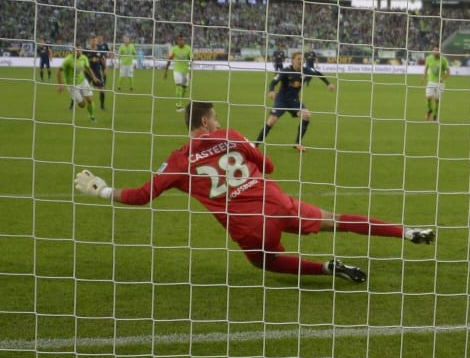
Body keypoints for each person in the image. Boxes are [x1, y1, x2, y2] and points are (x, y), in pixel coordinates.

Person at [73, 101, 435, 283]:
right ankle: (407, 231)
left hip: (250, 225)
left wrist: (102, 190)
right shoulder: (231, 135)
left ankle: (326, 267)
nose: (217, 121)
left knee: (264, 261)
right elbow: (271, 166)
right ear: (205, 122)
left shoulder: (178, 160)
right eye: (214, 117)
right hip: (278, 202)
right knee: (338, 220)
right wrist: (249, 157)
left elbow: (140, 196)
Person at [255, 51, 335, 152]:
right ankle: (256, 145)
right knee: (271, 121)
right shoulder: (285, 71)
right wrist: (271, 91)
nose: (301, 61)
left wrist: (328, 84)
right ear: (293, 60)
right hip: (282, 100)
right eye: (298, 59)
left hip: (294, 101)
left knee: (307, 115)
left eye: (302, 59)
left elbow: (318, 73)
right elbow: (274, 82)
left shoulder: (306, 70)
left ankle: (297, 143)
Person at [57, 45, 98, 123]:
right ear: (73, 51)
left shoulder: (84, 58)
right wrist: (60, 84)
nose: (78, 52)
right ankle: (76, 98)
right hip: (72, 85)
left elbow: (87, 68)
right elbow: (59, 71)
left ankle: (92, 117)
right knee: (82, 105)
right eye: (76, 50)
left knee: (89, 99)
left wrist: (94, 78)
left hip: (82, 81)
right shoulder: (68, 60)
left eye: (79, 50)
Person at [163, 35, 193, 111]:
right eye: (179, 40)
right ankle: (178, 106)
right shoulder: (174, 49)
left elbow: (191, 60)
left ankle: (179, 102)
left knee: (184, 89)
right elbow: (169, 60)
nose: (181, 42)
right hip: (177, 70)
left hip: (185, 71)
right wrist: (166, 71)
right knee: (178, 86)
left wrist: (191, 71)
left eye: (182, 40)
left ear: (184, 41)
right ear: (177, 41)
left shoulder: (188, 49)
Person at [422, 45, 450, 121]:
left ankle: (435, 115)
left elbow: (448, 72)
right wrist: (423, 78)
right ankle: (430, 110)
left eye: (437, 50)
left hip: (439, 83)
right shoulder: (429, 58)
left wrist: (442, 78)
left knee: (437, 100)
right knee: (428, 98)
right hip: (430, 81)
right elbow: (426, 68)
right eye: (434, 50)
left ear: (440, 52)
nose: (435, 52)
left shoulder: (443, 60)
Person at [84, 35, 110, 110]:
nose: (94, 42)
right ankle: (72, 104)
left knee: (102, 89)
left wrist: (105, 68)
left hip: (97, 72)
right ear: (90, 41)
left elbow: (103, 59)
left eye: (95, 41)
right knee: (82, 88)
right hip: (88, 72)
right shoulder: (86, 50)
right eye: (92, 40)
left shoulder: (99, 50)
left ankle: (102, 106)